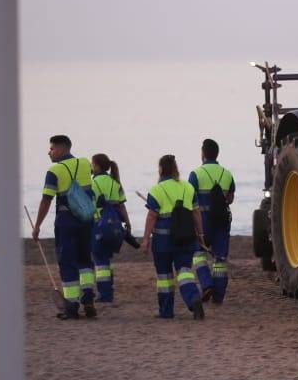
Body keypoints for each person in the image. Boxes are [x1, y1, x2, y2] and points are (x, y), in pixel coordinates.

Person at [30, 135, 98, 319]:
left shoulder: (54, 171)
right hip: (86, 220)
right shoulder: (85, 163)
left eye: (51, 148)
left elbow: (46, 200)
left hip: (66, 222)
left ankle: (72, 306)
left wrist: (37, 226)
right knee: (85, 260)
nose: (49, 152)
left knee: (67, 262)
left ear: (60, 149)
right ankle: (88, 298)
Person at [141, 155, 207, 320]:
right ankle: (193, 298)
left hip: (163, 241)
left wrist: (145, 240)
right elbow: (196, 213)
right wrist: (200, 235)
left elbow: (152, 216)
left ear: (161, 169)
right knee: (185, 271)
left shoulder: (156, 190)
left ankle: (166, 311)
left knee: (164, 276)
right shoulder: (187, 187)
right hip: (186, 238)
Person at [188, 138, 236, 304]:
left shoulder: (196, 174)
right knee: (220, 260)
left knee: (198, 254)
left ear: (203, 153)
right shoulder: (227, 174)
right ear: (217, 154)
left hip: (203, 221)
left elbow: (190, 201)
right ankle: (219, 296)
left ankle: (207, 284)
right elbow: (230, 199)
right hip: (222, 221)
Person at [89, 154, 132, 304]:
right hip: (115, 228)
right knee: (106, 260)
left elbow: (88, 207)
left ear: (96, 165)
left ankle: (105, 294)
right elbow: (122, 206)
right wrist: (128, 224)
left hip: (99, 227)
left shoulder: (92, 183)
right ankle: (109, 289)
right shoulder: (115, 183)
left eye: (92, 164)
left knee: (100, 262)